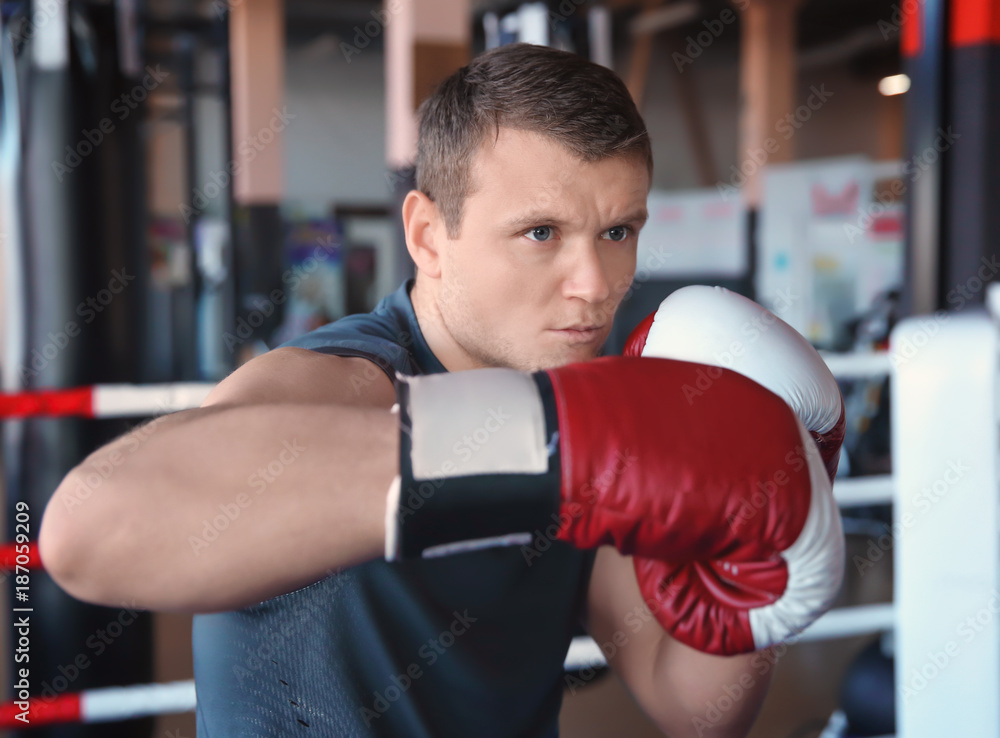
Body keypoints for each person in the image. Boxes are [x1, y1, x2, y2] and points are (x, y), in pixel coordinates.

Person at [39, 43, 844, 737]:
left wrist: (759, 560)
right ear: (428, 235)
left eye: (618, 231)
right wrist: (544, 448)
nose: (596, 285)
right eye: (540, 234)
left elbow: (691, 706)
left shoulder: (588, 403)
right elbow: (85, 533)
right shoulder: (344, 384)